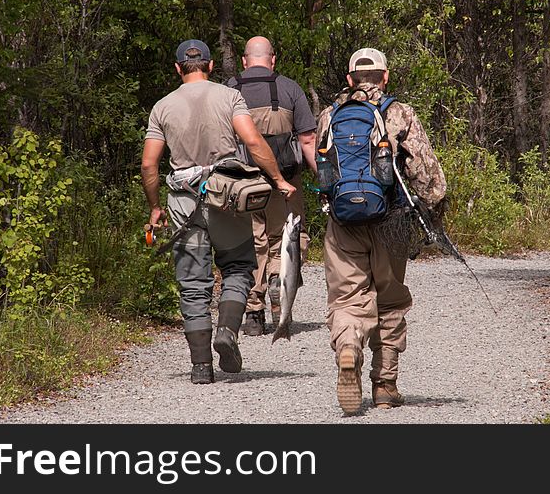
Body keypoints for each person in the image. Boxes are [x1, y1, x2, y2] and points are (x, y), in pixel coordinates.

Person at [141, 39, 296, 385]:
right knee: (239, 267)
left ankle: (200, 367)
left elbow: (149, 164)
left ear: (178, 68)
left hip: (184, 204)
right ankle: (226, 330)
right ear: (210, 66)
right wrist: (278, 179)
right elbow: (254, 142)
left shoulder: (162, 107)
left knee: (193, 285)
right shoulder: (229, 97)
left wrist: (154, 207)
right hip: (225, 196)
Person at [316, 47, 447, 413]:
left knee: (347, 299)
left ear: (349, 79)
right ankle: (385, 386)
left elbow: (322, 170)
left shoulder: (329, 116)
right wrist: (432, 213)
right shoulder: (400, 113)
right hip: (391, 221)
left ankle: (348, 348)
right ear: (385, 76)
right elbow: (429, 177)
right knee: (389, 299)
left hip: (343, 223)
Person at [226, 36, 318, 336]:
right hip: (285, 182)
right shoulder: (290, 88)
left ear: (244, 60)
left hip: (243, 185)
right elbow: (307, 140)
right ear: (273, 59)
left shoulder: (229, 89)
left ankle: (254, 312)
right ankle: (280, 283)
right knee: (286, 240)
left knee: (252, 243)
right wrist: (324, 177)